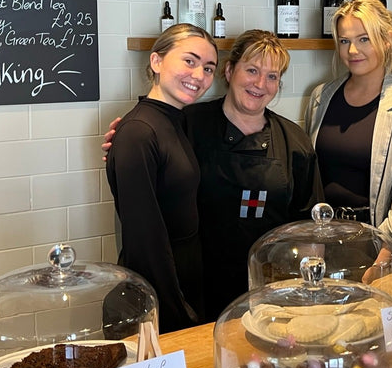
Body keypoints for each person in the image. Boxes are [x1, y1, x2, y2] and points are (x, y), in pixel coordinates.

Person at [104, 30, 322, 321]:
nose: (260, 84)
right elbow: (150, 185)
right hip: (196, 288)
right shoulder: (187, 124)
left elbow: (309, 228)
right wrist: (122, 145)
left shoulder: (294, 140)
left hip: (266, 291)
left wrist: (306, 293)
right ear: (230, 71)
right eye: (252, 70)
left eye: (272, 77)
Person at [304, 0, 392, 274]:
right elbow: (309, 178)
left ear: (386, 40)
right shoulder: (321, 98)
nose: (353, 50)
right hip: (328, 246)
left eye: (364, 39)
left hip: (381, 249)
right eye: (344, 40)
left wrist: (382, 259)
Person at [105, 23, 218, 333]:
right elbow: (145, 240)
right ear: (156, 62)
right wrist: (175, 312)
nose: (199, 76)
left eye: (209, 68)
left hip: (184, 287)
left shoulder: (175, 121)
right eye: (190, 61)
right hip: (159, 301)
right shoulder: (139, 132)